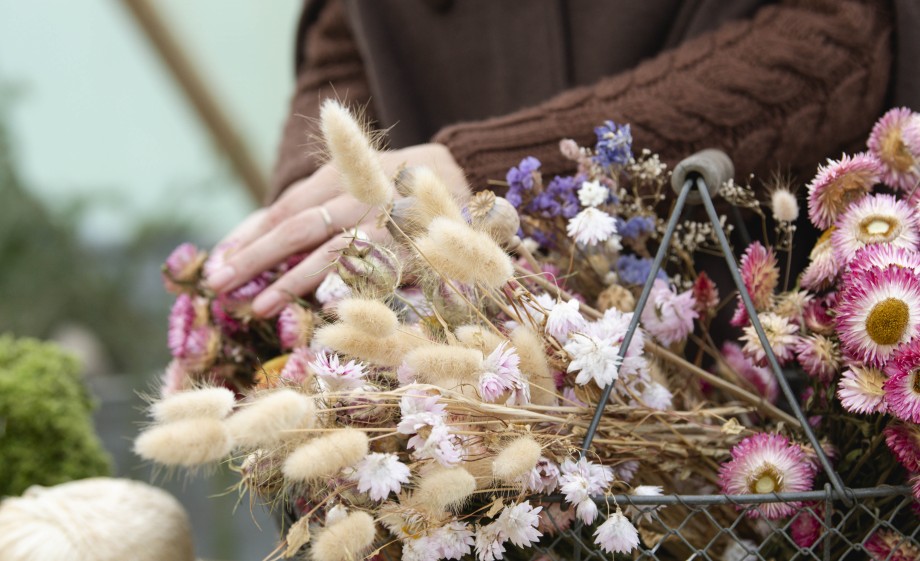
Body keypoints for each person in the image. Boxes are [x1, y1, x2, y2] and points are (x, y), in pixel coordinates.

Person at [206, 0, 918, 315]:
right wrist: (300, 246)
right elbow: (346, 41)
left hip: (760, 405)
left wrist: (492, 173)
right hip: (477, 439)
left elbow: (837, 38)